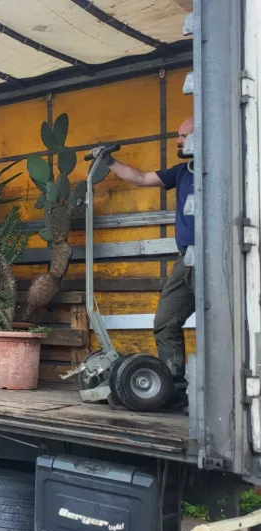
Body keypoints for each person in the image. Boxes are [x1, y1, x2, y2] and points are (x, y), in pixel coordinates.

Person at [90, 117, 195, 410]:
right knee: (165, 322)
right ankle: (175, 390)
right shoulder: (182, 171)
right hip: (186, 260)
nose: (178, 141)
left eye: (184, 136)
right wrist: (109, 161)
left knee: (224, 325)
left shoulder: (223, 168)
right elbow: (142, 178)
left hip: (217, 260)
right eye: (178, 136)